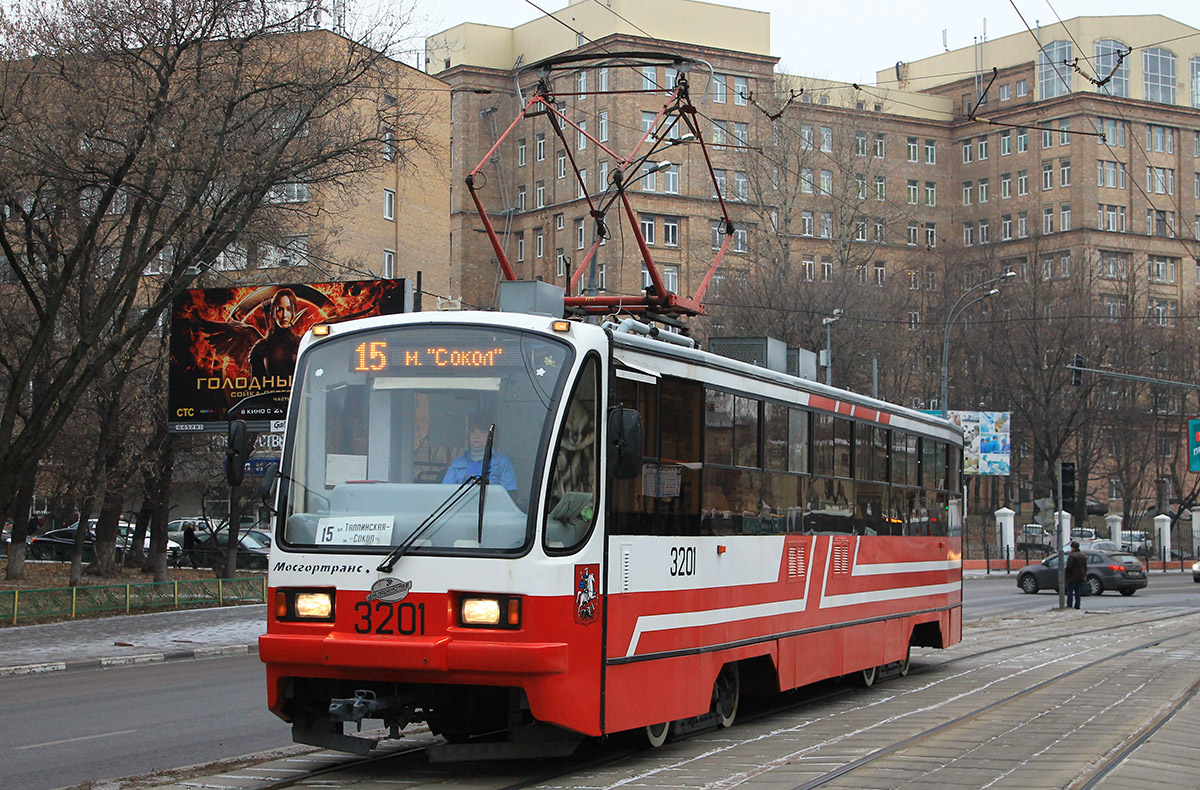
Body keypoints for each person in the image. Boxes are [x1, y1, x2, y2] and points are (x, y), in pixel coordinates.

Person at [442, 414, 518, 492]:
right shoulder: (458, 462)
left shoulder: (503, 462)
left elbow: (510, 493)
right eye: (473, 432)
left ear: (492, 437)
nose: (476, 436)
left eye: (482, 432)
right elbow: (445, 492)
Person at [250, 287, 301, 383]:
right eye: (280, 309)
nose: (284, 315)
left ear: (294, 312)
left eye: (289, 309)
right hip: (267, 397)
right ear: (273, 312)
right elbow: (255, 385)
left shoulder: (300, 343)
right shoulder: (261, 347)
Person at [1064, 540, 1087, 610]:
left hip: (1072, 577)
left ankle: (1069, 605)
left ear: (1073, 547)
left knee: (1070, 591)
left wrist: (1066, 573)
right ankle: (1077, 605)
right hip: (1080, 576)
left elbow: (1069, 567)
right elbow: (1085, 567)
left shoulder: (1072, 556)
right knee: (1078, 592)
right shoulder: (1083, 555)